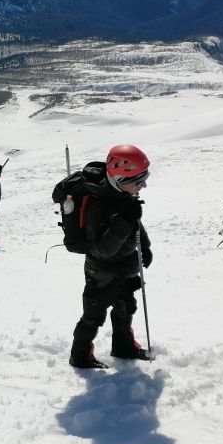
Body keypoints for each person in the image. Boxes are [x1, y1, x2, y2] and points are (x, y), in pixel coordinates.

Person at [69, 145, 153, 369]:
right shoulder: (98, 205)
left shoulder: (124, 194)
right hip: (101, 271)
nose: (143, 185)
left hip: (125, 266)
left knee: (126, 307)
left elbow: (135, 223)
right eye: (139, 180)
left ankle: (123, 347)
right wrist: (126, 219)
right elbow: (103, 249)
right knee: (94, 315)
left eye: (145, 179)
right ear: (119, 178)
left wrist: (145, 246)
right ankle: (79, 356)